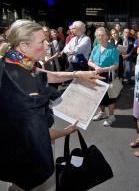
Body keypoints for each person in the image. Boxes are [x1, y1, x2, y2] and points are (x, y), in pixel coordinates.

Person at [0, 19, 102, 190]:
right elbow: (40, 134)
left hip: (10, 145)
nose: (47, 45)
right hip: (28, 156)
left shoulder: (13, 61)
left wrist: (78, 74)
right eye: (42, 42)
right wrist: (66, 131)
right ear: (24, 46)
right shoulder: (27, 88)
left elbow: (48, 75)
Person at [88, 27, 119, 126]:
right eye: (97, 36)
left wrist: (103, 69)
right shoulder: (96, 47)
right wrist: (96, 67)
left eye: (102, 35)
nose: (99, 37)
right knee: (98, 96)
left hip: (108, 75)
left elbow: (116, 65)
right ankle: (102, 113)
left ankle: (111, 116)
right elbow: (89, 61)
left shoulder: (112, 49)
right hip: (96, 74)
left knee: (109, 97)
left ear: (107, 36)